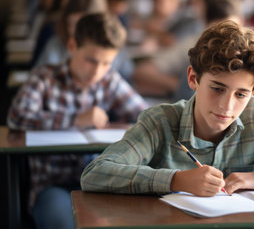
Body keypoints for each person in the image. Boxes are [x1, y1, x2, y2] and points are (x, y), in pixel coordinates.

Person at [80, 20, 254, 197]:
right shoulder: (159, 121)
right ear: (193, 79)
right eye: (217, 88)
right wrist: (176, 180)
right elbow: (95, 174)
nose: (227, 106)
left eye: (241, 94)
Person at [7, 13, 148, 229]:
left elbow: (146, 115)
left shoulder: (109, 80)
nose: (97, 71)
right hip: (54, 187)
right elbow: (17, 117)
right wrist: (76, 119)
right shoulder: (44, 77)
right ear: (72, 46)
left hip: (103, 184)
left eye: (106, 63)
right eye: (91, 60)